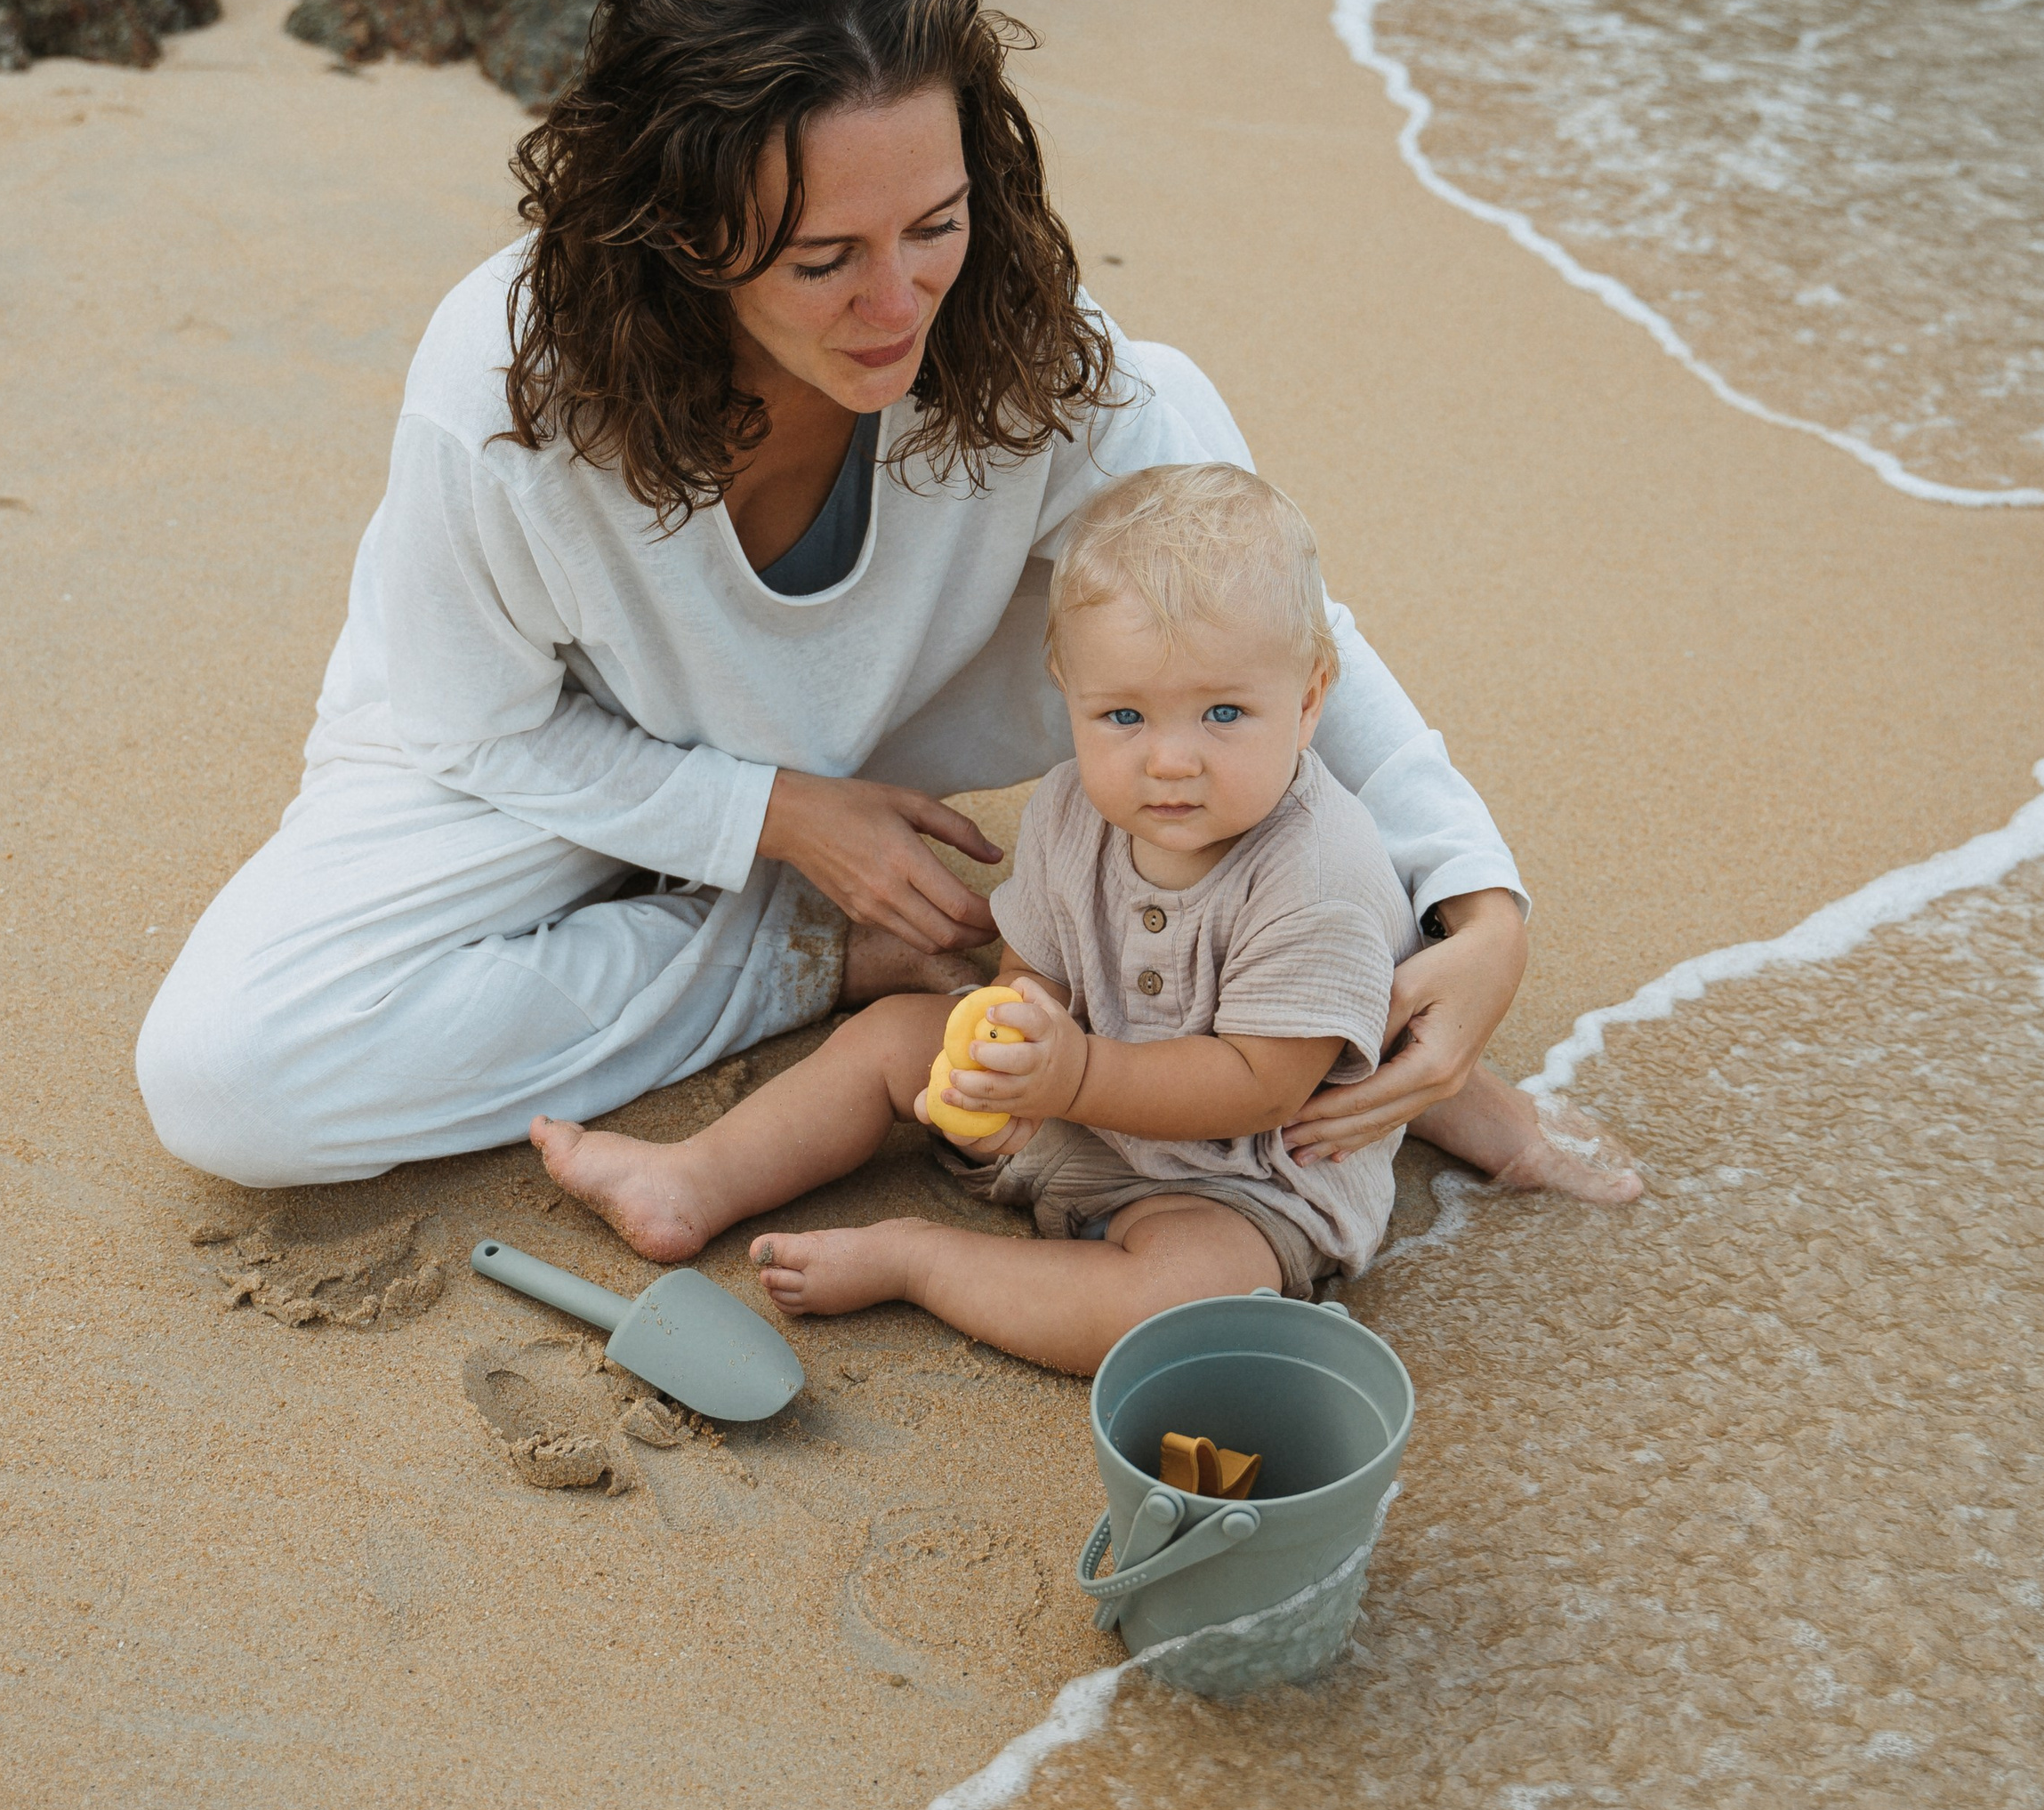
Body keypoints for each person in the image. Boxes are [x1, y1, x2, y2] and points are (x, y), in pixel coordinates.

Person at [136, 0, 1632, 1204]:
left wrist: (1475, 898)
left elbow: (1280, 634)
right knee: (226, 1078)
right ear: (674, 232)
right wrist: (778, 822)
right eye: (822, 258)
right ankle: (803, 962)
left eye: (934, 223)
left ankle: (1307, 998)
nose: (896, 299)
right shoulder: (507, 391)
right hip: (554, 745)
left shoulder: (1034, 353)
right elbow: (473, 722)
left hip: (897, 707)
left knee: (1185, 503)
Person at [541, 462, 1476, 1370]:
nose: (1170, 760)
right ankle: (694, 1178)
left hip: (1233, 1180)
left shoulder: (1318, 872)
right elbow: (1034, 968)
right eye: (1123, 716)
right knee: (902, 1033)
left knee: (1193, 1301)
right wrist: (1010, 1044)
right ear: (1066, 690)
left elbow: (1258, 1083)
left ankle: (919, 1260)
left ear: (1310, 697)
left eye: (1224, 711)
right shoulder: (1074, 807)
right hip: (1064, 1106)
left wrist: (1071, 1077)